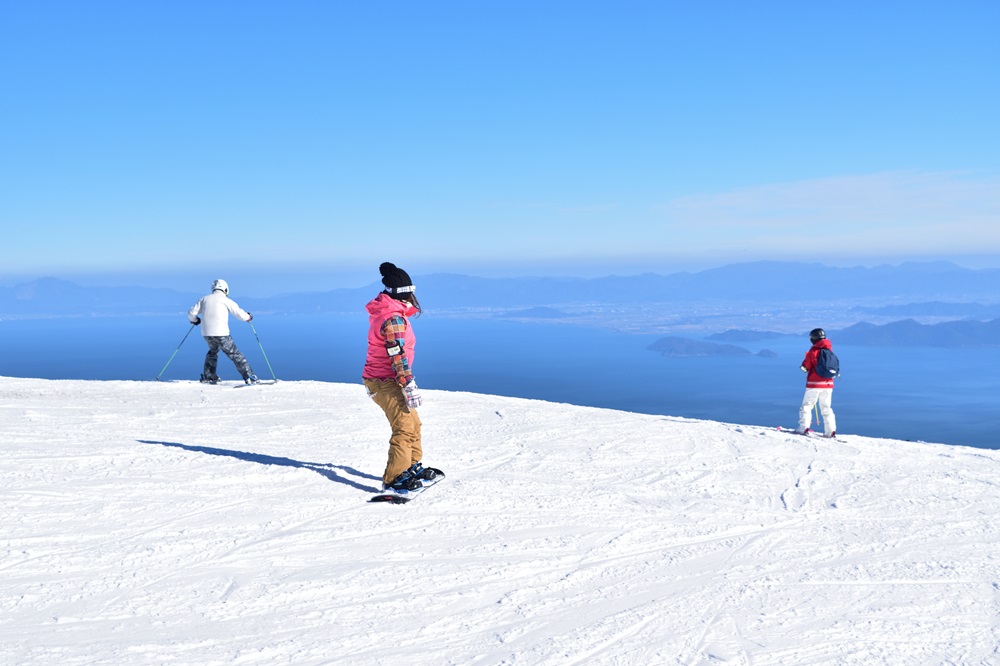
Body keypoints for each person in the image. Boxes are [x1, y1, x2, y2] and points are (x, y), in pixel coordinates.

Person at [362, 262, 437, 491]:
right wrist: (407, 383)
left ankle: (411, 466)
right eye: (411, 292)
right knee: (404, 426)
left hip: (388, 379)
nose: (414, 297)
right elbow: (397, 354)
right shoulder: (393, 318)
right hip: (385, 381)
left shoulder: (391, 312)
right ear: (404, 293)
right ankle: (394, 478)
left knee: (413, 423)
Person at [187, 279, 258, 385]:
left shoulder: (204, 299)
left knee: (213, 351)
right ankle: (249, 377)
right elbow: (240, 314)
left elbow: (191, 313)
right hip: (221, 333)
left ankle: (209, 376)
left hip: (206, 333)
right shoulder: (225, 300)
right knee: (235, 354)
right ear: (225, 289)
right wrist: (248, 317)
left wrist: (195, 320)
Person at [796, 327, 837, 437]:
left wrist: (805, 360)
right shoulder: (829, 351)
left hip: (814, 384)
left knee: (807, 406)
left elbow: (805, 368)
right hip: (829, 384)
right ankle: (830, 431)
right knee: (826, 407)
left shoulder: (813, 351)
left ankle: (803, 428)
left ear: (813, 338)